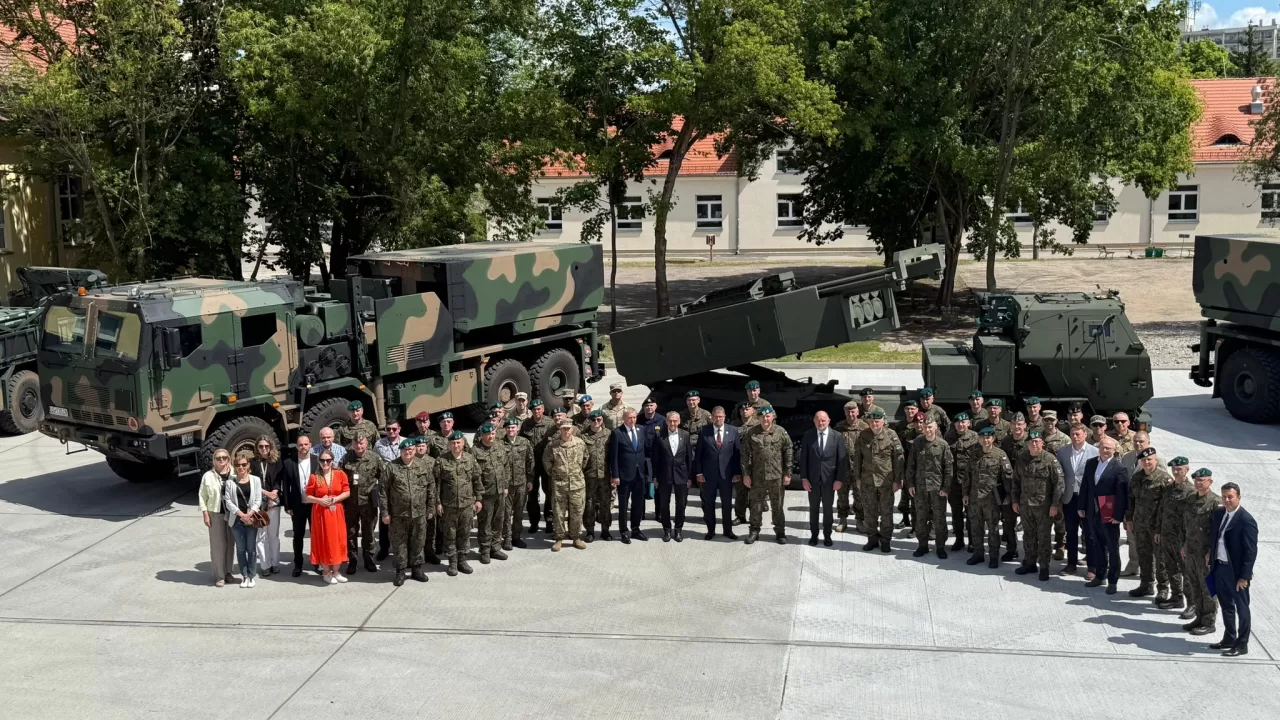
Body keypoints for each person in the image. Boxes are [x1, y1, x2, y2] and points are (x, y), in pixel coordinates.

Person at [1208, 481, 1257, 657]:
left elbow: (1250, 552)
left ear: (1238, 497)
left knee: (1242, 608)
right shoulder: (1219, 513)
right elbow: (1215, 537)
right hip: (1220, 567)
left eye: (1230, 497)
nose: (1227, 500)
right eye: (1224, 497)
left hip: (1237, 574)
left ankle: (1242, 644)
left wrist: (1244, 577)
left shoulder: (1246, 521)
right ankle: (1229, 638)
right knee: (1226, 605)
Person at [1011, 431, 1063, 581]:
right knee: (1028, 536)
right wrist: (1015, 500)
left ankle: (1044, 566)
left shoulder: (1050, 460)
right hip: (1025, 506)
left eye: (1037, 441)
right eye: (1031, 442)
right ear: (1027, 444)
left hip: (1044, 507)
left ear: (1042, 443)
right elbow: (1016, 481)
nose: (1034, 444)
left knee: (1044, 537)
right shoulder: (1022, 459)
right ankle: (1030, 562)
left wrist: (1055, 505)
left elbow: (1059, 484)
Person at [1080, 437, 1129, 594]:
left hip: (1109, 515)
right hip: (1092, 512)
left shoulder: (1119, 468)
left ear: (1114, 450)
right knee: (1097, 546)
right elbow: (1085, 486)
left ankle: (1113, 580)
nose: (1105, 450)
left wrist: (1118, 515)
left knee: (1112, 548)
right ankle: (1099, 576)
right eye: (1103, 447)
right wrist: (1081, 506)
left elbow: (1122, 494)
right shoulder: (1091, 463)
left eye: (1109, 448)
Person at [384, 439, 435, 586]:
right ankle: (400, 571)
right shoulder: (392, 467)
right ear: (400, 451)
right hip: (398, 514)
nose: (409, 452)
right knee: (399, 543)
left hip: (419, 513)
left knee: (418, 540)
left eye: (411, 449)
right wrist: (385, 512)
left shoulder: (423, 466)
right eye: (405, 450)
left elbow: (431, 487)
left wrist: (430, 508)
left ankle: (417, 569)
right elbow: (383, 491)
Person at [854, 410, 904, 553]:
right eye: (872, 421)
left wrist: (897, 480)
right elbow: (857, 458)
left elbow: (899, 459)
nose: (875, 424)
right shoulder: (863, 436)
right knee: (869, 512)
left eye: (877, 421)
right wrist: (857, 478)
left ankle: (886, 540)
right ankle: (872, 539)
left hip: (886, 482)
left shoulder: (891, 435)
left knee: (886, 512)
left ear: (883, 421)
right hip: (868, 481)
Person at [1127, 446, 1172, 599]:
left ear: (1155, 460)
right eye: (1144, 460)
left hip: (1156, 526)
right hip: (1139, 524)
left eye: (1150, 460)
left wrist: (1161, 528)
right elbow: (1131, 500)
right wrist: (1129, 519)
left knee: (1160, 559)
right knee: (1143, 555)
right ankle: (1146, 585)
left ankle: (1163, 588)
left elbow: (1168, 506)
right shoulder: (1137, 478)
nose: (1147, 463)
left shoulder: (1165, 479)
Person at [1181, 465, 1221, 637]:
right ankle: (1199, 616)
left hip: (1206, 554)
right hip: (1190, 551)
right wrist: (1183, 544)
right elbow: (1186, 524)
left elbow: (1219, 531)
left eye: (1202, 480)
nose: (1198, 483)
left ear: (1210, 482)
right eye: (1196, 480)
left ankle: (1209, 621)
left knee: (1208, 588)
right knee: (1194, 584)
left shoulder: (1216, 503)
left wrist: (1211, 553)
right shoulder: (1191, 498)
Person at [742, 406, 792, 545]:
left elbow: (788, 451)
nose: (765, 419)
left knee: (777, 506)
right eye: (762, 416)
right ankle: (754, 531)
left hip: (776, 475)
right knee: (756, 505)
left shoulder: (780, 432)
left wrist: (788, 472)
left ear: (773, 417)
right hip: (757, 476)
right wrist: (746, 474)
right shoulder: (751, 433)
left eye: (768, 416)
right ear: (758, 418)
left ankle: (780, 532)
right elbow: (745, 455)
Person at [436, 431, 483, 576]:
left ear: (463, 443)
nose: (456, 445)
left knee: (464, 533)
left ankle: (462, 560)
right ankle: (452, 563)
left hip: (467, 504)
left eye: (458, 442)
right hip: (449, 505)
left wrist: (479, 499)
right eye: (453, 443)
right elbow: (436, 485)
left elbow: (477, 480)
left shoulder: (470, 459)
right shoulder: (441, 461)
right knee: (450, 534)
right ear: (449, 444)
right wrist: (437, 503)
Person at [339, 435, 387, 575]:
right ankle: (352, 559)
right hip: (351, 503)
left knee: (369, 532)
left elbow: (383, 479)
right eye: (356, 443)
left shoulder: (375, 458)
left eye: (362, 443)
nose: (359, 446)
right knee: (351, 532)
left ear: (366, 443)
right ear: (352, 443)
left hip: (369, 503)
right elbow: (340, 478)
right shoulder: (346, 458)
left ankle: (368, 558)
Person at [964, 426, 1011, 568]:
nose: (986, 440)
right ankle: (978, 554)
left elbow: (1008, 477)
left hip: (992, 500)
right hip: (974, 498)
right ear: (978, 439)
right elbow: (967, 476)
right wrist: (965, 493)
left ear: (993, 438)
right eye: (983, 437)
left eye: (988, 437)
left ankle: (993, 556)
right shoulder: (974, 454)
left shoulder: (1000, 455)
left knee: (993, 529)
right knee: (976, 528)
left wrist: (1008, 495)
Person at [1055, 423, 1098, 577]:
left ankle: (1092, 567)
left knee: (1089, 533)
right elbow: (1059, 476)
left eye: (1078, 434)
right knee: (1071, 532)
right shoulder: (1062, 452)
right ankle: (1071, 564)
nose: (1075, 436)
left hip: (1087, 499)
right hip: (1069, 498)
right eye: (1073, 434)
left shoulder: (1095, 452)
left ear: (1085, 434)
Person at [906, 419, 953, 558]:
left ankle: (940, 546)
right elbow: (911, 465)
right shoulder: (917, 443)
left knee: (939, 518)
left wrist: (946, 488)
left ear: (936, 427)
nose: (928, 429)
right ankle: (922, 545)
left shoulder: (943, 445)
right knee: (921, 518)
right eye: (926, 427)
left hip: (937, 488)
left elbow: (949, 469)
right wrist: (910, 484)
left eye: (930, 427)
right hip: (920, 488)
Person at [800, 410, 847, 547]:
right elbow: (803, 459)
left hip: (830, 481)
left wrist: (839, 479)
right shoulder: (808, 436)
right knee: (813, 509)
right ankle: (814, 536)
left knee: (828, 510)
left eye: (823, 420)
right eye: (818, 420)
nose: (821, 423)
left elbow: (841, 460)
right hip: (812, 481)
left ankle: (827, 536)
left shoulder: (837, 436)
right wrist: (804, 478)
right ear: (814, 421)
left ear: (828, 421)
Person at [1154, 457, 1194, 611]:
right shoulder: (1168, 489)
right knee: (1171, 567)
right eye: (1174, 469)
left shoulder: (1191, 492)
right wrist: (1158, 530)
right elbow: (1161, 511)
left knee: (1186, 572)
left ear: (1187, 470)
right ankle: (1176, 597)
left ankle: (1191, 603)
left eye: (1180, 469)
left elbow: (1191, 519)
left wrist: (1187, 541)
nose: (1176, 472)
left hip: (1181, 539)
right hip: (1166, 535)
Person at [696, 405, 741, 541]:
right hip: (709, 475)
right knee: (709, 504)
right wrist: (699, 473)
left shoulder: (732, 431)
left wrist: (737, 472)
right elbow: (698, 454)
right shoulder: (704, 431)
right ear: (712, 417)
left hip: (726, 476)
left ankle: (728, 530)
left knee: (727, 504)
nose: (718, 419)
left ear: (724, 417)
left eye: (721, 417)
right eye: (716, 417)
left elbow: (737, 454)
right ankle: (711, 530)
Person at [306, 448, 350, 585]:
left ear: (332, 461)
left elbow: (347, 491)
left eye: (328, 460)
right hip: (321, 513)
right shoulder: (314, 477)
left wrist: (335, 499)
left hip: (336, 511)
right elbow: (307, 497)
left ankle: (336, 571)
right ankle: (326, 572)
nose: (325, 463)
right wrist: (320, 500)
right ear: (318, 461)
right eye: (322, 460)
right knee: (324, 540)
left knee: (337, 539)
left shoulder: (340, 474)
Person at [545, 419, 589, 551]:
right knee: (558, 512)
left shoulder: (580, 444)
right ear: (560, 429)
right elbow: (547, 463)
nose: (566, 431)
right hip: (559, 485)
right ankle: (559, 537)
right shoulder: (553, 445)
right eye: (564, 428)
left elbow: (585, 459)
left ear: (572, 429)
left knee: (577, 511)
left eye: (568, 428)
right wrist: (558, 475)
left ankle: (575, 537)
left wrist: (575, 473)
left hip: (577, 484)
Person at [609, 409, 652, 544]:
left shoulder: (641, 430)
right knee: (623, 505)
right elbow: (614, 456)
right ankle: (624, 531)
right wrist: (615, 475)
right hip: (624, 475)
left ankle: (636, 529)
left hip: (639, 475)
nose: (632, 420)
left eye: (634, 417)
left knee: (638, 504)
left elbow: (645, 450)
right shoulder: (617, 433)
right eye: (629, 418)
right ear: (624, 418)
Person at [469, 423, 509, 563]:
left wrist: (505, 485)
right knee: (485, 523)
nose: (491, 436)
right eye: (488, 434)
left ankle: (495, 548)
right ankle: (485, 550)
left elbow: (506, 465)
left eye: (493, 434)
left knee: (498, 521)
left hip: (499, 491)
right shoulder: (475, 451)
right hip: (485, 494)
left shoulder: (499, 446)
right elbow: (474, 476)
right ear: (482, 436)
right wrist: (477, 496)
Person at [651, 411, 694, 542]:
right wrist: (655, 476)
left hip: (681, 475)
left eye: (675, 421)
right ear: (666, 421)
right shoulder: (659, 435)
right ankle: (667, 530)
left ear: (679, 421)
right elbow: (655, 458)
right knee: (664, 504)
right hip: (664, 475)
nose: (673, 423)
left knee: (681, 504)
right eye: (670, 421)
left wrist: (689, 477)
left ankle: (678, 530)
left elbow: (689, 457)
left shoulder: (685, 435)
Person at [223, 451, 264, 589]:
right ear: (235, 466)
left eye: (243, 464)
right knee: (241, 550)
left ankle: (251, 575)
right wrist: (242, 515)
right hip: (236, 520)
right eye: (238, 465)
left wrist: (250, 514)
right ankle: (244, 575)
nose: (241, 467)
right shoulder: (230, 482)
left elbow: (258, 499)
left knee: (251, 549)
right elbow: (228, 502)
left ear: (248, 466)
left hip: (252, 519)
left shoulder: (256, 480)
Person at [199, 449, 236, 587]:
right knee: (217, 546)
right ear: (214, 460)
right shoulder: (207, 476)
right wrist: (205, 514)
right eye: (218, 458)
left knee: (230, 544)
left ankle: (228, 572)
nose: (221, 460)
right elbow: (202, 496)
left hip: (232, 514)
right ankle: (219, 575)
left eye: (224, 457)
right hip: (215, 513)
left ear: (229, 459)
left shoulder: (235, 473)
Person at [521, 400, 557, 534]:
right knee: (532, 494)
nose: (537, 412)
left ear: (543, 409)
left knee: (549, 492)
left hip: (546, 464)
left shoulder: (550, 423)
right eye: (534, 409)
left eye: (539, 409)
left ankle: (549, 520)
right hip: (532, 465)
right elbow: (522, 442)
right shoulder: (527, 424)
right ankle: (534, 522)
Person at [280, 435, 315, 577]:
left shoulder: (317, 461)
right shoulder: (289, 463)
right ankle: (298, 565)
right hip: (297, 506)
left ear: (310, 445)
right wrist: (287, 506)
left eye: (306, 444)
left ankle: (316, 562)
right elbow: (286, 486)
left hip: (314, 506)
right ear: (297, 446)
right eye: (301, 445)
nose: (303, 447)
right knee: (298, 536)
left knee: (316, 536)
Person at [946, 412, 979, 552]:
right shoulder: (949, 437)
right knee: (956, 513)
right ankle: (959, 539)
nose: (961, 424)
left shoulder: (976, 438)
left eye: (964, 422)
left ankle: (972, 541)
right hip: (954, 482)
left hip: (970, 482)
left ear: (969, 423)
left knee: (972, 513)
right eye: (958, 422)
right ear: (954, 424)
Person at [251, 436, 283, 577]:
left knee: (273, 535)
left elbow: (279, 479)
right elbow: (252, 482)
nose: (264, 449)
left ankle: (275, 563)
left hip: (274, 502)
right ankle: (265, 565)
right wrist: (266, 494)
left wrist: (273, 494)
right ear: (257, 448)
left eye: (266, 446)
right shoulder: (253, 463)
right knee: (261, 535)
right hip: (258, 503)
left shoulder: (276, 461)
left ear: (270, 447)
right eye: (261, 446)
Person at [501, 417, 536, 548]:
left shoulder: (524, 442)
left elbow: (530, 462)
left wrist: (530, 480)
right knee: (506, 513)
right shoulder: (500, 444)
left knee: (519, 512)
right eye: (508, 427)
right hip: (507, 485)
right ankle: (507, 539)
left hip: (521, 483)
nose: (511, 430)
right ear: (505, 429)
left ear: (518, 428)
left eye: (513, 427)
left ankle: (516, 537)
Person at [834, 401, 867, 534]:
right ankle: (843, 519)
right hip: (843, 468)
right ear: (845, 412)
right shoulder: (839, 427)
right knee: (842, 495)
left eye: (853, 411)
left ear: (858, 412)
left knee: (859, 495)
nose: (851, 414)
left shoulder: (865, 427)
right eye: (848, 411)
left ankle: (860, 520)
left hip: (859, 468)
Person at [731, 404, 759, 526]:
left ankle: (754, 518)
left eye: (748, 409)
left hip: (754, 462)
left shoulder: (758, 425)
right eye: (742, 409)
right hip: (739, 462)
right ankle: (740, 516)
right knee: (740, 491)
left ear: (753, 411)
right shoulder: (733, 425)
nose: (745, 412)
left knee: (754, 492)